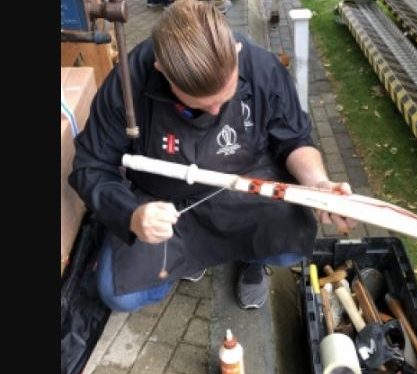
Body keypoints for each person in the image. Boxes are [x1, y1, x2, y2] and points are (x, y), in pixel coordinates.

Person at [69, 0, 355, 313]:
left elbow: (294, 137)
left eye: (225, 100)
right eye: (203, 107)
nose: (216, 113)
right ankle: (189, 256)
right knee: (119, 294)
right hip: (165, 201)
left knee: (290, 246)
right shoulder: (129, 82)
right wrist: (131, 216)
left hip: (246, 184)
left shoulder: (260, 66)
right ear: (162, 70)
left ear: (236, 52)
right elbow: (90, 165)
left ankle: (252, 260)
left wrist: (318, 183)